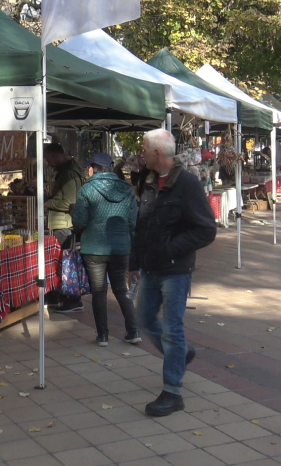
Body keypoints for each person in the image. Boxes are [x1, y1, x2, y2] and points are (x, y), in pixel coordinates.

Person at [130, 129, 217, 417]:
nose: (142, 154)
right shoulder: (149, 180)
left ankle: (172, 392)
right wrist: (134, 262)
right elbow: (143, 225)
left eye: (145, 149)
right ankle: (180, 354)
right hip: (150, 268)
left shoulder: (186, 183)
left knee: (172, 329)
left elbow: (206, 229)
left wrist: (171, 249)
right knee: (144, 318)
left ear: (157, 153)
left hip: (175, 270)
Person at [71, 152, 140, 347]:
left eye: (88, 167)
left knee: (99, 291)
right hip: (121, 247)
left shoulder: (86, 189)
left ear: (93, 168)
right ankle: (133, 331)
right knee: (121, 289)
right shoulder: (126, 189)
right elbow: (133, 222)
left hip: (94, 247)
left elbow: (80, 221)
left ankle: (102, 336)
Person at [44, 143, 85, 313]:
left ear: (56, 156)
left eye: (48, 159)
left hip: (63, 224)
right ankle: (63, 295)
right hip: (63, 223)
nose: (48, 163)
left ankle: (73, 298)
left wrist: (48, 202)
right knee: (64, 261)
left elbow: (69, 202)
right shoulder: (68, 171)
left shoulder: (68, 174)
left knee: (66, 262)